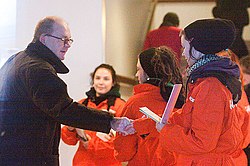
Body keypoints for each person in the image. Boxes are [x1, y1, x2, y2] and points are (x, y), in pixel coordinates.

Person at [0, 16, 134, 166]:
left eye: (70, 40)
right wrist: (111, 121)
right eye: (63, 39)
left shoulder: (16, 60)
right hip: (29, 156)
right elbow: (64, 109)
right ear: (44, 39)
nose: (68, 45)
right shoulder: (39, 69)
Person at [156, 18, 250, 165]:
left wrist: (167, 131)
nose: (183, 54)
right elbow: (193, 114)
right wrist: (162, 121)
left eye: (185, 48)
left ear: (199, 48)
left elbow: (202, 142)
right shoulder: (212, 77)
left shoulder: (210, 85)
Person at [113, 46, 185, 165]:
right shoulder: (182, 102)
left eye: (138, 69)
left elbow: (124, 152)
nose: (136, 75)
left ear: (147, 73)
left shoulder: (134, 103)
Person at [61, 63, 125, 166]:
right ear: (93, 81)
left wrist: (89, 144)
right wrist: (70, 128)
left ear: (113, 82)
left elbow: (121, 144)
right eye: (98, 78)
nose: (101, 82)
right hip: (82, 162)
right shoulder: (82, 104)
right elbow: (69, 140)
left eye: (106, 79)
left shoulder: (120, 106)